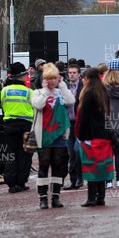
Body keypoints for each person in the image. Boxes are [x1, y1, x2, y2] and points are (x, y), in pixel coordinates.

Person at [32, 63, 75, 209]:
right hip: (43, 135)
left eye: (54, 78)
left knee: (59, 167)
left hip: (59, 135)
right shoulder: (37, 92)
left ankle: (56, 196)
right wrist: (45, 90)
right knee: (43, 166)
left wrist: (62, 85)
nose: (51, 81)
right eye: (49, 78)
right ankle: (43, 198)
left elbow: (71, 101)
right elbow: (37, 105)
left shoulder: (60, 92)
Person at [77, 67, 114, 207]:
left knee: (91, 167)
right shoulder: (103, 93)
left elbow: (84, 118)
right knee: (101, 167)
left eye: (84, 78)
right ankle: (101, 196)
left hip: (91, 136)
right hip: (104, 136)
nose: (83, 80)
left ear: (89, 79)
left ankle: (91, 197)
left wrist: (80, 135)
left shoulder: (88, 95)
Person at [0, 62, 34, 193]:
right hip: (26, 126)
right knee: (25, 154)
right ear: (22, 76)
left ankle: (11, 183)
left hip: (9, 125)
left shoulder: (4, 91)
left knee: (11, 154)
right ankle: (21, 183)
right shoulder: (29, 92)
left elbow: (3, 106)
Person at [64, 64, 84, 190]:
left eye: (74, 72)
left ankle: (80, 177)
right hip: (68, 123)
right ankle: (73, 179)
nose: (71, 74)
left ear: (78, 74)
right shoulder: (64, 87)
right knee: (70, 153)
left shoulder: (83, 87)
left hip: (80, 123)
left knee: (77, 150)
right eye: (70, 72)